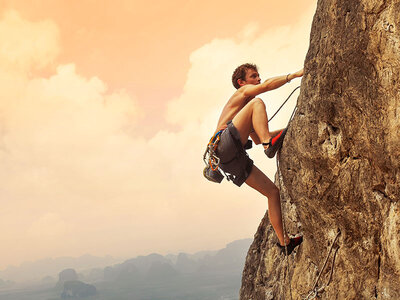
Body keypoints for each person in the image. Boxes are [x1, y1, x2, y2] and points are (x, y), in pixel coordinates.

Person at [213, 63, 303, 255]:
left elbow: (258, 136)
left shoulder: (246, 116)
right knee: (258, 102)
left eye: (258, 76)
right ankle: (269, 145)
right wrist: (294, 75)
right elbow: (266, 87)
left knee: (272, 192)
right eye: (254, 76)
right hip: (224, 144)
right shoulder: (242, 94)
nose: (259, 80)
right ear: (241, 82)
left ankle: (284, 242)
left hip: (230, 159)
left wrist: (292, 128)